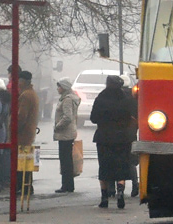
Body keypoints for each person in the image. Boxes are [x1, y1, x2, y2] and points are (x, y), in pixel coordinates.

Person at [90, 74, 136, 209]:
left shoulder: (101, 98)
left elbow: (93, 118)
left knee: (104, 167)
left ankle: (104, 197)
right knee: (121, 166)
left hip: (104, 137)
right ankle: (120, 192)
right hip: (122, 138)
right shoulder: (126, 99)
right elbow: (132, 117)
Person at [12, 68, 40, 198]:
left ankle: (22, 187)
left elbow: (21, 117)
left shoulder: (26, 95)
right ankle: (27, 186)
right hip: (28, 133)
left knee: (21, 162)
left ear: (22, 81)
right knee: (27, 162)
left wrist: (14, 129)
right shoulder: (31, 93)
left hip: (23, 135)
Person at [53, 78, 80, 193]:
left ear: (63, 87)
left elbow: (67, 117)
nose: (57, 88)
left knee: (65, 160)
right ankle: (68, 184)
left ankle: (67, 185)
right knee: (66, 159)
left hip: (65, 134)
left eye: (59, 86)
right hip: (68, 133)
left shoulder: (67, 100)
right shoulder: (67, 98)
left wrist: (57, 126)